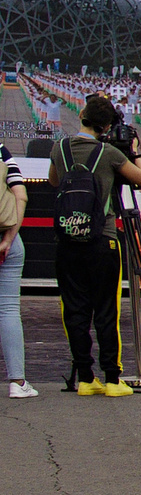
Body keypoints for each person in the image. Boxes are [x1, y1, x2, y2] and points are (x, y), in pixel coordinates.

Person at [49, 94, 141, 393]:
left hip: (67, 240)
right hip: (102, 239)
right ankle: (111, 378)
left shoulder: (60, 148)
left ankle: (84, 377)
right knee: (106, 310)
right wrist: (130, 151)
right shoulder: (108, 153)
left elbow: (54, 181)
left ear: (81, 115)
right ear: (107, 126)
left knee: (75, 310)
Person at [1, 136, 26, 398]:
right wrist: (8, 238)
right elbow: (21, 195)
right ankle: (17, 383)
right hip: (6, 240)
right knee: (8, 309)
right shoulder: (1, 151)